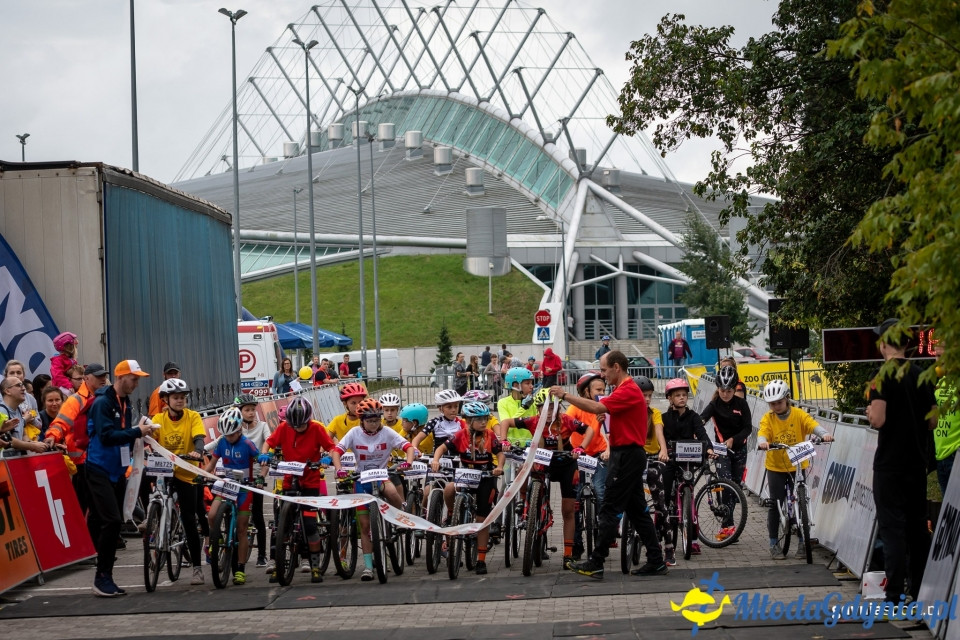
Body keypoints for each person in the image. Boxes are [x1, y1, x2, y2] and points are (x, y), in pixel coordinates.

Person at [550, 351, 666, 579]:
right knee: (637, 512)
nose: (602, 376)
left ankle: (596, 561)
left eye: (603, 370)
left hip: (627, 456)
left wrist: (565, 395)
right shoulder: (623, 390)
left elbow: (595, 408)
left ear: (616, 367)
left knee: (610, 508)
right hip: (626, 454)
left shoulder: (628, 389)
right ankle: (656, 560)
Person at [865, 318, 937, 602]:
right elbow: (932, 421)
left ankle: (894, 592)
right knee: (918, 529)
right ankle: (919, 589)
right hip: (917, 462)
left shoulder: (880, 376)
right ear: (907, 345)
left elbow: (879, 419)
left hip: (890, 465)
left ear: (883, 344)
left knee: (892, 528)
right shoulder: (921, 374)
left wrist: (870, 413)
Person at [85, 359, 156, 597]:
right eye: (134, 379)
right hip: (99, 468)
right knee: (113, 521)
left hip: (116, 470)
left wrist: (140, 434)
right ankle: (101, 576)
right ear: (121, 377)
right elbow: (106, 436)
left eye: (138, 379)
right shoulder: (103, 402)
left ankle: (104, 574)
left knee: (102, 520)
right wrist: (137, 431)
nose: (136, 383)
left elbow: (122, 434)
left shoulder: (123, 402)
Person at [499, 388, 592, 569]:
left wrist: (580, 448)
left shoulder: (565, 420)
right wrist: (504, 441)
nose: (548, 413)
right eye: (543, 408)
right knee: (525, 471)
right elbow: (506, 422)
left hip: (565, 464)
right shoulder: (533, 421)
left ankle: (567, 555)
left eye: (552, 408)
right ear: (538, 409)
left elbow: (589, 430)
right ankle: (528, 504)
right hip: (543, 464)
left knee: (568, 510)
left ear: (557, 408)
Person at [332, 398, 413, 581]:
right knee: (365, 526)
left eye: (377, 420)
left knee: (392, 493)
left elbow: (408, 447)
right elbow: (337, 451)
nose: (374, 424)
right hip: (361, 480)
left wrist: (408, 462)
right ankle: (368, 567)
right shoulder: (353, 433)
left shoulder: (387, 432)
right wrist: (339, 469)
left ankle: (401, 519)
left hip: (382, 476)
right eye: (370, 421)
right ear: (362, 420)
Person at [260, 396, 337, 583]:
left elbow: (332, 447)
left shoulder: (317, 428)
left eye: (301, 425)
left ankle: (315, 566)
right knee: (282, 526)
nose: (298, 428)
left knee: (310, 525)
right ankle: (280, 566)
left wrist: (327, 458)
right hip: (289, 480)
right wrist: (264, 454)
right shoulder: (284, 427)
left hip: (310, 482)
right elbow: (269, 442)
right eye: (294, 425)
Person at [758, 378, 834, 559]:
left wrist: (824, 434)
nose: (776, 406)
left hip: (798, 464)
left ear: (787, 399)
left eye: (779, 402)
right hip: (776, 465)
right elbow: (763, 432)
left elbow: (812, 425)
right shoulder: (768, 418)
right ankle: (773, 543)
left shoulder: (798, 414)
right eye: (772, 404)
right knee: (775, 503)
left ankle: (802, 541)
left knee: (801, 501)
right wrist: (762, 443)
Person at [431, 401, 504, 575]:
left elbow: (500, 454)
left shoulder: (490, 435)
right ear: (469, 420)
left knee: (482, 518)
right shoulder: (460, 435)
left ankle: (481, 559)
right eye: (478, 419)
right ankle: (452, 515)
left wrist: (499, 467)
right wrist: (436, 460)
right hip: (465, 475)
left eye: (485, 418)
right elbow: (441, 448)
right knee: (448, 489)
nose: (483, 422)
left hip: (485, 477)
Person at [151, 378, 207, 585]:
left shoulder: (193, 417)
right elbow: (148, 435)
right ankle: (150, 521)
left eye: (183, 397)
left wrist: (198, 451)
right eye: (175, 398)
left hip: (186, 472)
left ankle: (197, 568)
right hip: (164, 471)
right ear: (165, 400)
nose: (180, 401)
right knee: (139, 477)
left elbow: (199, 437)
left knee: (189, 519)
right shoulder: (158, 418)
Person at [657, 378, 716, 564]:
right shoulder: (664, 418)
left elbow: (702, 434)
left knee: (690, 501)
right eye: (677, 396)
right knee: (664, 497)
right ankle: (658, 534)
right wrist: (662, 451)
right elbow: (659, 438)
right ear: (669, 398)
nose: (682, 398)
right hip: (670, 460)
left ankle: (693, 539)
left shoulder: (693, 416)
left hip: (688, 462)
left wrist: (709, 448)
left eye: (684, 395)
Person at [47, 363, 110, 531]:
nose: (103, 379)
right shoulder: (76, 401)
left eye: (104, 375)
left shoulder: (106, 399)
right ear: (86, 379)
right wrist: (52, 436)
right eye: (98, 376)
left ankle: (95, 546)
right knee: (85, 507)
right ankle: (86, 546)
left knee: (97, 508)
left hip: (101, 462)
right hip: (83, 463)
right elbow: (61, 422)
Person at [204, 407, 260, 585]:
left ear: (239, 430)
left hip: (244, 489)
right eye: (225, 435)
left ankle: (241, 569)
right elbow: (211, 464)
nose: (228, 438)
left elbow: (262, 460)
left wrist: (261, 476)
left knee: (242, 530)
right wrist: (201, 475)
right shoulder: (221, 442)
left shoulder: (248, 444)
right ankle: (217, 538)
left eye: (232, 435)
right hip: (226, 484)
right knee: (212, 515)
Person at [700, 365, 752, 541]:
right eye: (722, 390)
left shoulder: (741, 404)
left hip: (739, 448)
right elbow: (701, 419)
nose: (725, 394)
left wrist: (734, 440)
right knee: (727, 482)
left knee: (735, 487)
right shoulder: (715, 404)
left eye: (729, 391)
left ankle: (727, 516)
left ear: (734, 388)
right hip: (721, 450)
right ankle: (727, 525)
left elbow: (748, 428)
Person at [228, 393, 272, 568]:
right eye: (247, 410)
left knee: (258, 515)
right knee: (232, 512)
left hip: (255, 476)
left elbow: (268, 442)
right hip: (235, 474)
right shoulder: (234, 429)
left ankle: (262, 555)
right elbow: (218, 442)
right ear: (239, 412)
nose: (251, 413)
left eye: (253, 409)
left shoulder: (262, 426)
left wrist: (263, 457)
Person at [933, 342, 959, 494]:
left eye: (942, 356)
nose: (938, 361)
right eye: (936, 356)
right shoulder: (940, 382)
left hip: (956, 454)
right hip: (941, 455)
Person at [0, 375, 48, 455]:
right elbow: (6, 439)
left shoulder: (18, 409)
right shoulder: (2, 411)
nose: (24, 388)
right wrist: (32, 446)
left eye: (22, 385)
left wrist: (32, 443)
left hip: (15, 461)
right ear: (7, 391)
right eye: (18, 385)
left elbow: (23, 434)